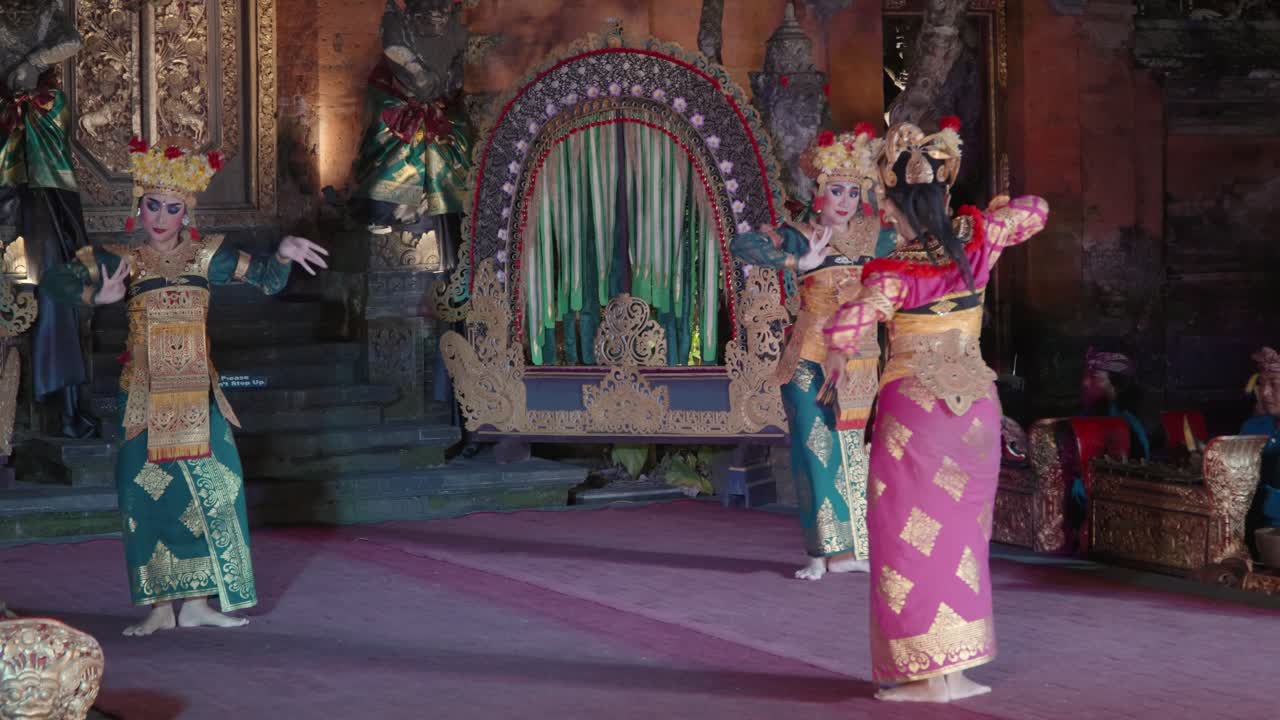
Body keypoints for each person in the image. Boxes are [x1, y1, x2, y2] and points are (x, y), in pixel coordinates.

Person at [40, 136, 328, 636]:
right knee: (145, 497)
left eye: (172, 208)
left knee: (216, 495)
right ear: (140, 207)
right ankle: (158, 608)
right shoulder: (120, 258)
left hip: (200, 398)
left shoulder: (208, 256)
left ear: (186, 214)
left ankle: (197, 603)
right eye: (152, 204)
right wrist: (94, 294)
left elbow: (267, 279)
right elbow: (53, 282)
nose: (160, 216)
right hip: (146, 402)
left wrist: (281, 252)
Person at [822, 118, 1049, 702]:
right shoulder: (978, 242)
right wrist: (983, 212)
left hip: (915, 420)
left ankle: (925, 676)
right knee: (962, 544)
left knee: (908, 540)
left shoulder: (893, 271)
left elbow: (847, 323)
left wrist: (837, 358)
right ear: (944, 197)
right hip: (973, 409)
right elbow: (1037, 209)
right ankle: (958, 671)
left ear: (893, 209)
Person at [731, 125, 896, 580]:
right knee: (815, 448)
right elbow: (743, 245)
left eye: (853, 191)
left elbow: (914, 255)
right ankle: (819, 553)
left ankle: (851, 552)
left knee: (855, 451)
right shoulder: (800, 235)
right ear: (819, 191)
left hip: (861, 358)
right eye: (835, 190)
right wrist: (795, 264)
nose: (844, 200)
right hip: (808, 357)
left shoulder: (875, 236)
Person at [1243, 347, 1280, 547]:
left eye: (1274, 384)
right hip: (1252, 531)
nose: (1264, 392)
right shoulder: (1253, 427)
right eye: (1262, 383)